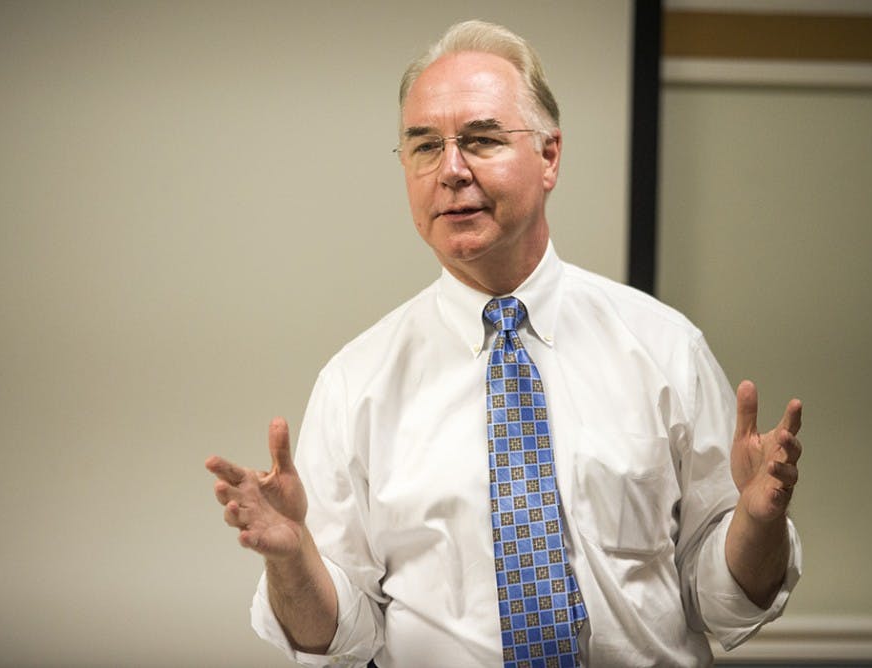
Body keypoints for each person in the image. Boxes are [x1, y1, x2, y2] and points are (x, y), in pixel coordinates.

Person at [206, 20, 803, 667]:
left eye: (481, 139)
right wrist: (294, 559)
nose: (451, 170)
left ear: (549, 156)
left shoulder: (664, 347)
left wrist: (756, 525)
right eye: (425, 147)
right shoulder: (358, 383)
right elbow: (337, 640)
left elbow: (726, 604)